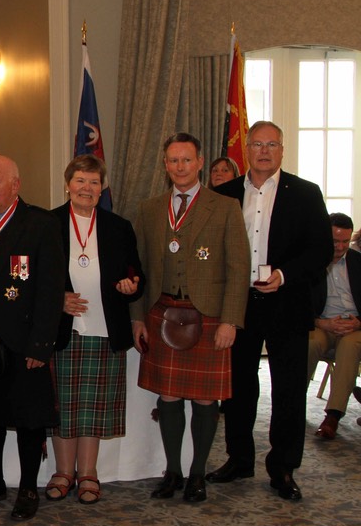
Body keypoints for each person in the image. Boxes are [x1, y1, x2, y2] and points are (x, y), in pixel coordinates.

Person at [209, 120, 332, 501]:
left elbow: (321, 250)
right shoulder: (225, 194)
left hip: (287, 302)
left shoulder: (306, 193)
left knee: (289, 389)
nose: (264, 151)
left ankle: (283, 467)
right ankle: (239, 459)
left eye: (272, 145)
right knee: (239, 387)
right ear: (246, 149)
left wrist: (284, 274)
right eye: (257, 144)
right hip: (239, 303)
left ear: (282, 150)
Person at [131, 133, 249, 503]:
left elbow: (238, 267)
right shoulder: (150, 209)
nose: (180, 167)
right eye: (173, 160)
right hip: (162, 312)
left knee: (204, 398)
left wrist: (230, 320)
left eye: (186, 160)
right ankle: (173, 472)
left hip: (209, 316)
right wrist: (137, 318)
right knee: (168, 396)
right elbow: (138, 268)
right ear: (165, 165)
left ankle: (197, 473)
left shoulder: (225, 207)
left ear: (199, 162)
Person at [0, 155, 65, 521]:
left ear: (15, 185)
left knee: (28, 419)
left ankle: (29, 487)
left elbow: (50, 290)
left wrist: (41, 344)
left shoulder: (40, 224)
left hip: (23, 341)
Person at [46, 155, 143, 505]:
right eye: (80, 181)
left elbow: (136, 273)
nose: (86, 188)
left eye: (94, 182)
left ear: (102, 188)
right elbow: (32, 275)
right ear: (68, 184)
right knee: (63, 406)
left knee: (92, 407)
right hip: (62, 330)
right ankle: (63, 472)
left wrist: (131, 285)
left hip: (105, 328)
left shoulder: (119, 226)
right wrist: (58, 298)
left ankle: (88, 473)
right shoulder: (48, 223)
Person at [306, 213, 361, 439]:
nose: (340, 247)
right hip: (322, 323)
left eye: (345, 241)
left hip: (355, 327)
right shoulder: (311, 262)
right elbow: (298, 303)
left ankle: (333, 416)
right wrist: (322, 322)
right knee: (309, 344)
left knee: (349, 346)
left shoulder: (358, 262)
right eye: (335, 241)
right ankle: (293, 402)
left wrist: (359, 322)